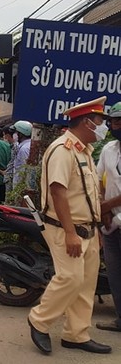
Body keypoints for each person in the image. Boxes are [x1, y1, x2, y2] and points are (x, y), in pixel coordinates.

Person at [27, 96, 111, 355]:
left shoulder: (84, 150)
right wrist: (72, 232)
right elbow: (58, 192)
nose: (103, 127)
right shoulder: (62, 149)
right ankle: (39, 320)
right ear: (87, 122)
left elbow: (89, 195)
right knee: (70, 278)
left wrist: (95, 229)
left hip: (88, 228)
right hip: (66, 229)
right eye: (100, 122)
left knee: (86, 283)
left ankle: (76, 334)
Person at [96, 101, 121, 333]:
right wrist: (104, 211)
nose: (118, 124)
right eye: (115, 121)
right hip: (112, 225)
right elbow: (99, 179)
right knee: (114, 273)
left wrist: (105, 206)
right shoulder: (109, 149)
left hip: (112, 215)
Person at [11, 120, 33, 191]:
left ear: (21, 134)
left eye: (16, 132)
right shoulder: (26, 145)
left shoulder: (24, 148)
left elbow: (25, 169)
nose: (15, 135)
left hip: (21, 186)